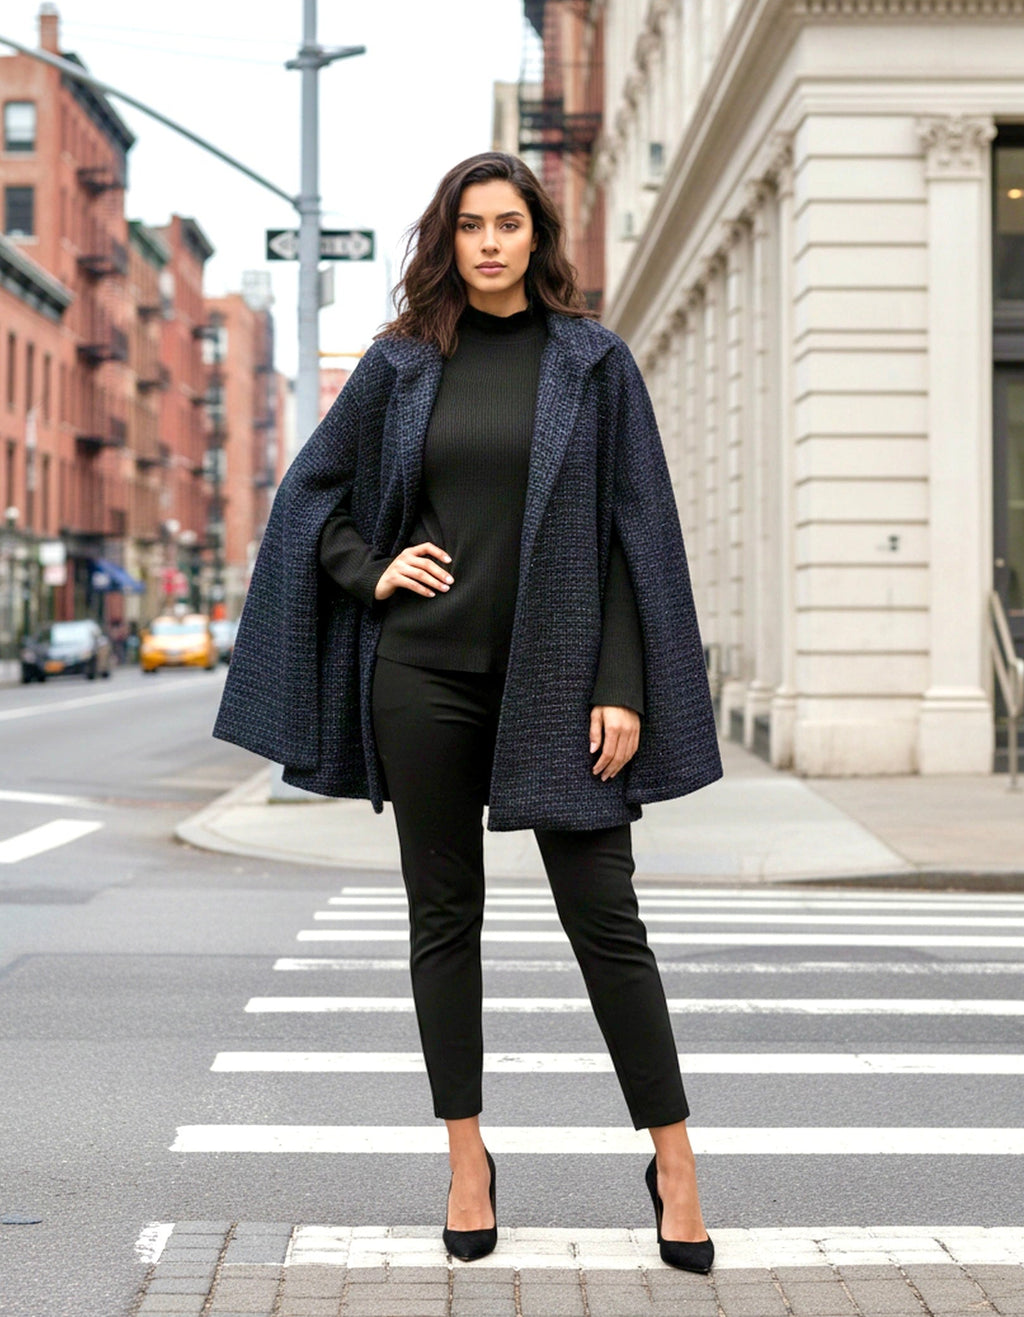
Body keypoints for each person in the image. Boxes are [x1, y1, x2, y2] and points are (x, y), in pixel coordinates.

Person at [213, 152, 722, 1272]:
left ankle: (674, 1160)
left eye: (508, 224)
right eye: (469, 227)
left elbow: (640, 533)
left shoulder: (593, 362)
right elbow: (310, 496)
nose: (490, 243)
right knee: (443, 919)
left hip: (560, 675)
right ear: (446, 243)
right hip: (425, 674)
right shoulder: (401, 364)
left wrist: (623, 683)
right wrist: (372, 568)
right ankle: (466, 1159)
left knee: (607, 922)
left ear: (537, 238)